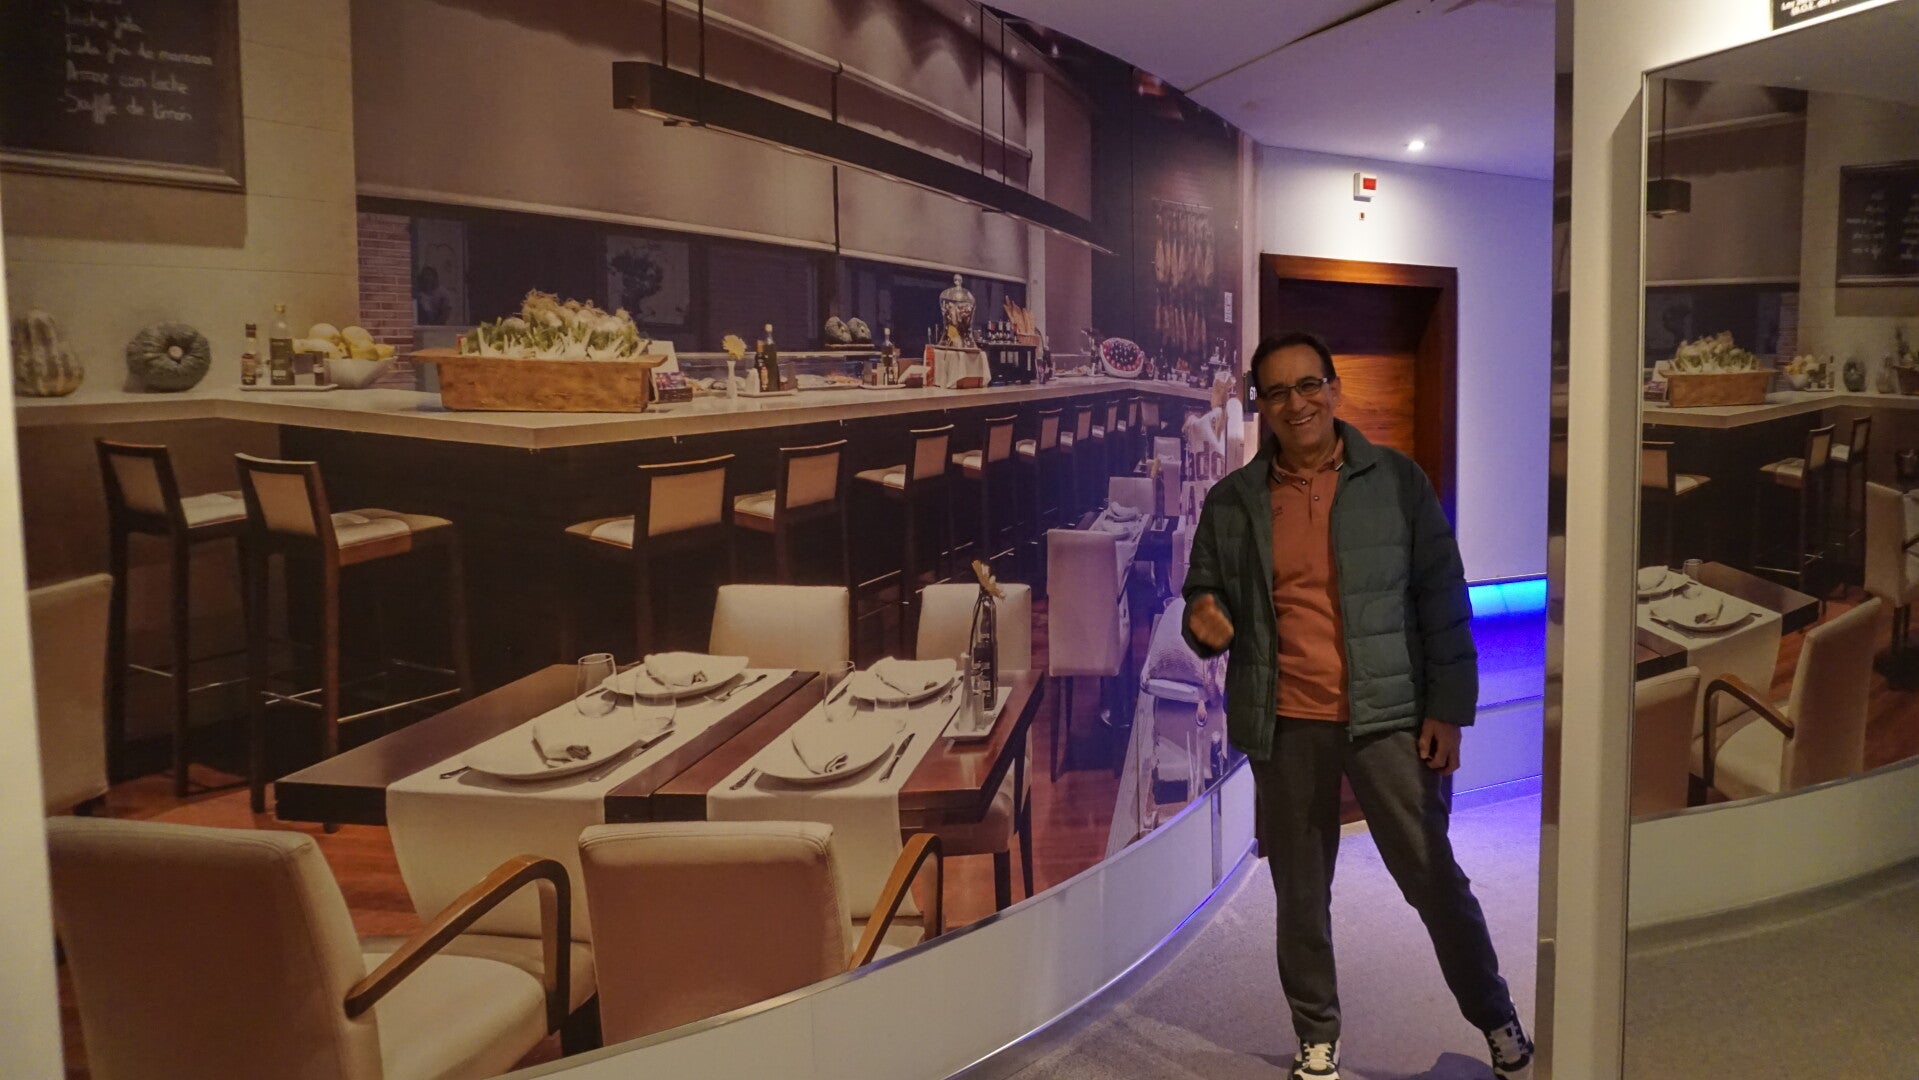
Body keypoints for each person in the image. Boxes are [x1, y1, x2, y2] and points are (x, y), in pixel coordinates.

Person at [1181, 332, 1533, 1080]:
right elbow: (1203, 592)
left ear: (1334, 390)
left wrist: (1447, 710)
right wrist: (1203, 617)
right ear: (1262, 406)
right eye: (1277, 392)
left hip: (1389, 719)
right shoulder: (1233, 501)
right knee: (1300, 895)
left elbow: (1442, 600)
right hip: (1285, 723)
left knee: (1432, 878)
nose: (1296, 403)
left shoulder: (1398, 481)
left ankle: (1496, 1016)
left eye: (1308, 385)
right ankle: (1317, 1035)